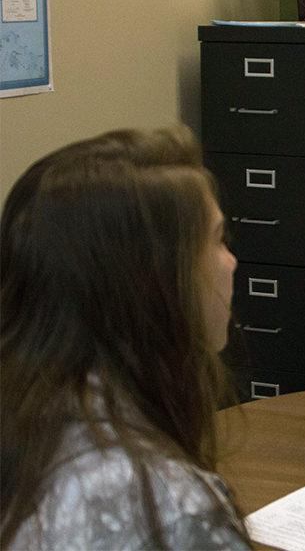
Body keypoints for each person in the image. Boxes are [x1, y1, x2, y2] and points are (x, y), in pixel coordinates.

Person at [0, 126, 251, 549]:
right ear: (152, 283)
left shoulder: (29, 421)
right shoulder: (169, 509)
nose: (231, 261)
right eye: (216, 239)